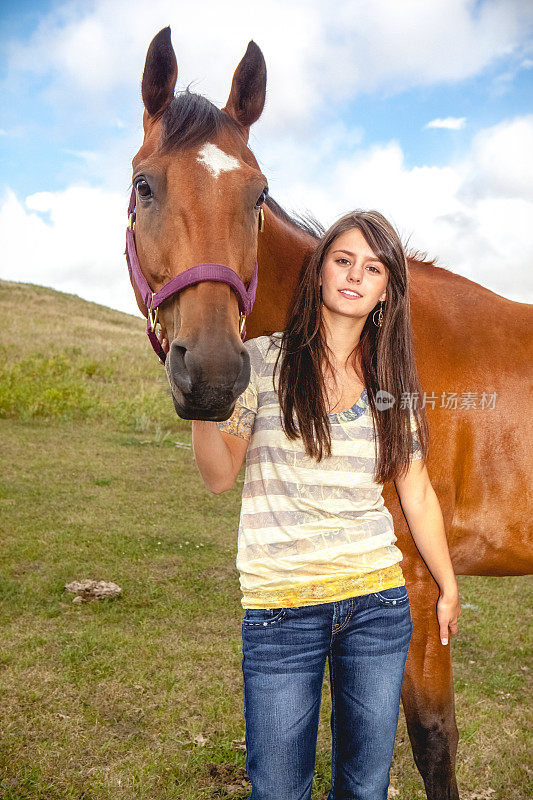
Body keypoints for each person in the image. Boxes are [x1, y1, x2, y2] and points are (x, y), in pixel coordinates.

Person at [161, 210, 461, 800]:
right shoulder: (263, 361)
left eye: (372, 268)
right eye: (343, 260)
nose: (355, 276)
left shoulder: (390, 379)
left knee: (366, 786)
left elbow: (416, 491)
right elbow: (221, 476)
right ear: (320, 270)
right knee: (278, 788)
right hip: (280, 610)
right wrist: (202, 408)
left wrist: (446, 585)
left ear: (384, 291)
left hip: (376, 606)